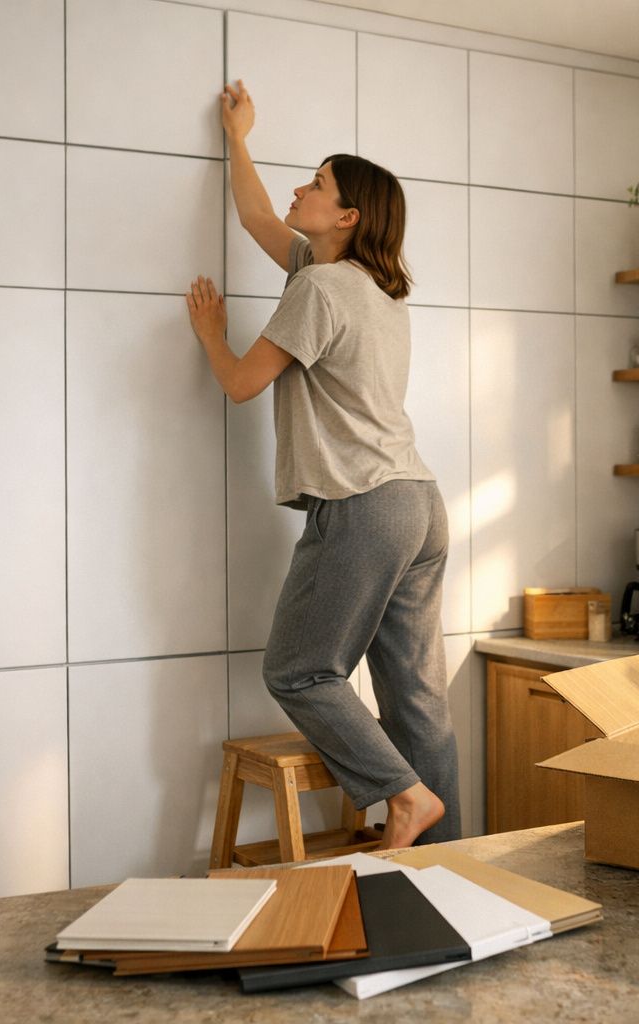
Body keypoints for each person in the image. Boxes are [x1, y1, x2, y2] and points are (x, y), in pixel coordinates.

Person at [185, 80, 459, 849]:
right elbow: (256, 218)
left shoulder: (319, 287)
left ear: (349, 216)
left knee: (300, 670)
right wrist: (238, 136)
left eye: (318, 182)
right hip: (419, 502)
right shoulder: (371, 285)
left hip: (364, 503)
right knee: (415, 698)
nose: (300, 188)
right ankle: (457, 869)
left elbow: (242, 384)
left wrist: (211, 329)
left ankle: (404, 798)